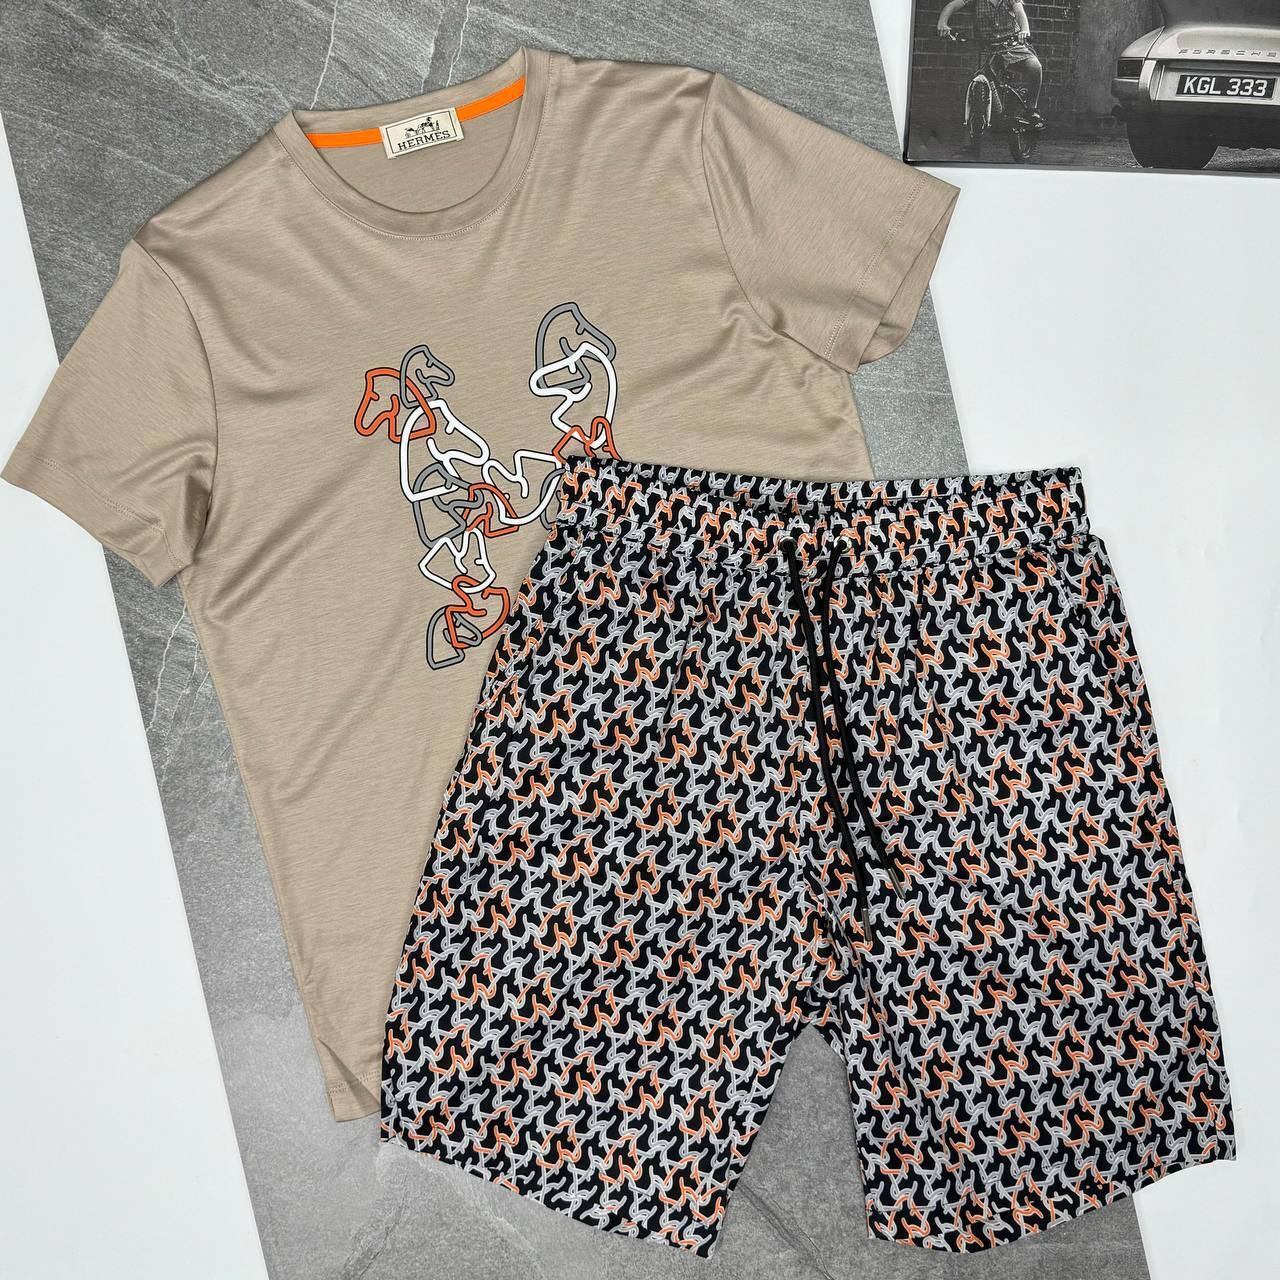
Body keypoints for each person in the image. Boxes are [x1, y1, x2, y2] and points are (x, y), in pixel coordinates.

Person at [938, 0, 1045, 130]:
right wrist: (942, 22)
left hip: (1011, 45)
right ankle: (977, 126)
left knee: (1035, 67)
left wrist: (1024, 30)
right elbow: (953, 5)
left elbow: (1019, 12)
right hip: (986, 47)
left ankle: (1032, 109)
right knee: (976, 79)